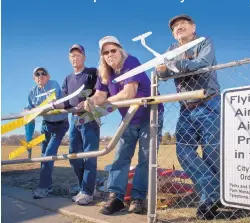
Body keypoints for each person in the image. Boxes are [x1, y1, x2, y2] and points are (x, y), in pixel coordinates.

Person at [79, 36, 164, 215]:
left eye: (113, 50)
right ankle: (115, 197)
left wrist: (104, 103)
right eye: (105, 52)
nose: (110, 55)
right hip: (129, 119)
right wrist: (91, 101)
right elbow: (100, 95)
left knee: (145, 159)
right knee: (120, 158)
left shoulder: (131, 62)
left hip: (150, 116)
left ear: (120, 50)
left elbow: (128, 93)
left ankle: (138, 198)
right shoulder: (105, 73)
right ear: (102, 56)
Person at [156, 14, 221, 220]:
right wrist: (162, 70)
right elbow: (162, 74)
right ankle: (213, 191)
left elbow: (202, 63)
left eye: (183, 24)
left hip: (208, 102)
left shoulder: (203, 42)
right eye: (175, 27)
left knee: (211, 153)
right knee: (183, 151)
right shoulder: (170, 51)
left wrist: (176, 66)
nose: (179, 28)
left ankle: (209, 201)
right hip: (186, 108)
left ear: (193, 27)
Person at [60, 44, 100, 205]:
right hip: (74, 118)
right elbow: (64, 101)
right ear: (70, 59)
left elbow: (100, 91)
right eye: (72, 56)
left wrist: (88, 101)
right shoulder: (68, 79)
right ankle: (87, 187)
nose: (75, 58)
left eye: (78, 55)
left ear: (84, 57)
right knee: (73, 155)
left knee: (89, 155)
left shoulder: (91, 73)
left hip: (89, 117)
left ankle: (87, 192)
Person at [26, 67, 69, 199]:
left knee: (49, 154)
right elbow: (30, 107)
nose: (40, 76)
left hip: (60, 124)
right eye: (37, 74)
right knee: (43, 155)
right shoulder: (32, 92)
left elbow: (50, 102)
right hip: (46, 126)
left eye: (43, 73)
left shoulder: (53, 84)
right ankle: (47, 185)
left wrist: (39, 108)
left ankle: (43, 188)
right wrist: (26, 110)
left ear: (48, 76)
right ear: (34, 78)